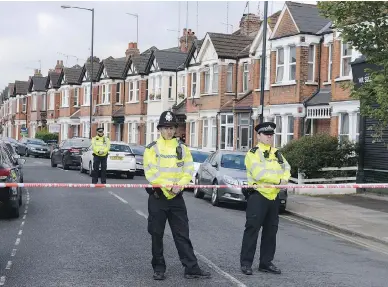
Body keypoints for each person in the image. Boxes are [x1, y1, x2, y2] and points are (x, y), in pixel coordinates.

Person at [143, 110, 211, 281]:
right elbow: (150, 173)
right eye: (165, 128)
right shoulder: (152, 149)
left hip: (176, 197)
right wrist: (168, 186)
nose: (169, 131)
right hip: (158, 196)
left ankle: (191, 268)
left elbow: (188, 170)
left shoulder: (182, 148)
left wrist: (179, 186)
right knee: (157, 234)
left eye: (172, 128)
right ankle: (159, 268)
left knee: (182, 234)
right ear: (159, 129)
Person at [240, 121, 291, 275]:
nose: (269, 137)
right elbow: (258, 174)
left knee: (271, 232)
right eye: (266, 134)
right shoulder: (253, 153)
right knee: (252, 230)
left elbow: (287, 168)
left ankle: (266, 263)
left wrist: (285, 179)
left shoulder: (277, 153)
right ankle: (246, 263)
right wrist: (278, 180)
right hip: (258, 196)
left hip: (273, 197)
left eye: (271, 135)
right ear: (259, 136)